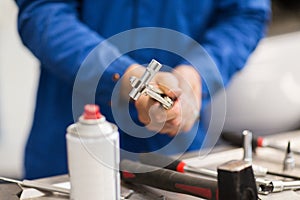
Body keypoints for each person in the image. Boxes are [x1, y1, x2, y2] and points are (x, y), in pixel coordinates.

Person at [15, 0, 270, 179]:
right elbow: (43, 12)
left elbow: (245, 15)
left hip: (179, 148)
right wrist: (121, 75)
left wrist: (195, 76)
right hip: (71, 150)